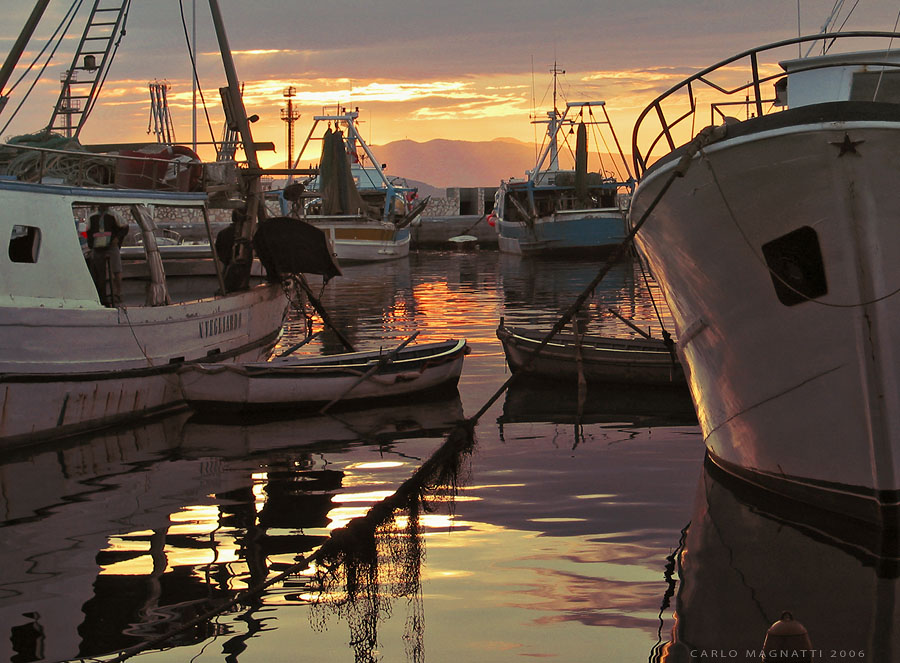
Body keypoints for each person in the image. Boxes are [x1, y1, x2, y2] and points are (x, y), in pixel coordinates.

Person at [87, 204, 128, 306]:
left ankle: (118, 293)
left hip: (111, 246)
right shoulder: (92, 217)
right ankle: (102, 297)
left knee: (116, 270)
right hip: (98, 247)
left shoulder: (114, 215)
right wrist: (91, 245)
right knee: (99, 273)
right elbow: (87, 231)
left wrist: (117, 239)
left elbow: (125, 228)